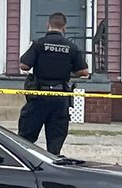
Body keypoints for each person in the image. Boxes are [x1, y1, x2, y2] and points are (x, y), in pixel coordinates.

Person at [17, 12, 90, 155]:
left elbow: (24, 65)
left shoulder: (39, 43)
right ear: (65, 27)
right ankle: (53, 164)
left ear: (48, 24)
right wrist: (69, 71)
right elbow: (84, 71)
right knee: (55, 141)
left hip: (39, 96)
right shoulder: (71, 47)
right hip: (60, 97)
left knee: (26, 137)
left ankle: (24, 162)